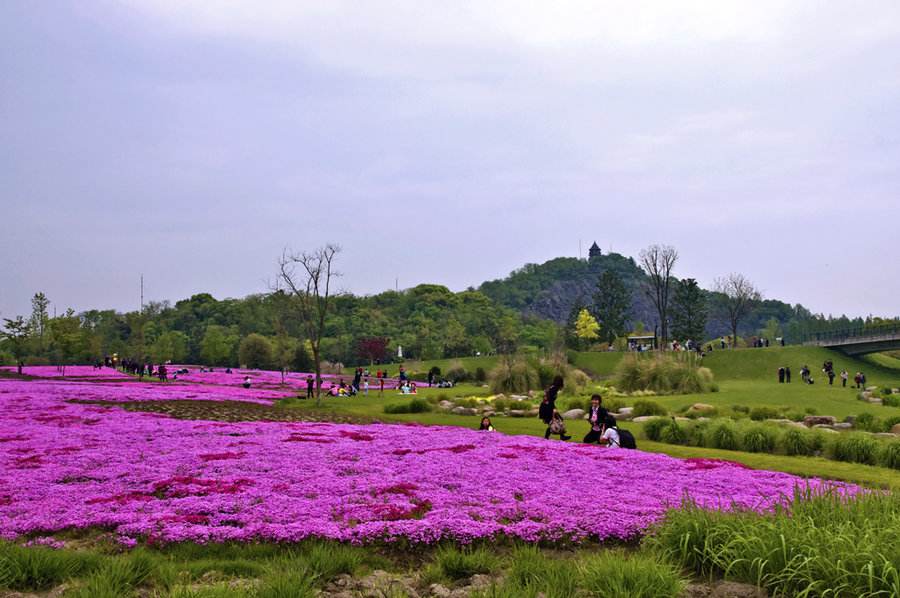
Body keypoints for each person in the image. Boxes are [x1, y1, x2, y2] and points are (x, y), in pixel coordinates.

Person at [539, 375, 571, 440]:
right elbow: (549, 400)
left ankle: (561, 436)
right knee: (553, 422)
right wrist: (554, 409)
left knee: (558, 420)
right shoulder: (554, 389)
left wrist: (554, 408)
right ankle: (547, 437)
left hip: (548, 406)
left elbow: (549, 399)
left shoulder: (553, 388)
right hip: (546, 408)